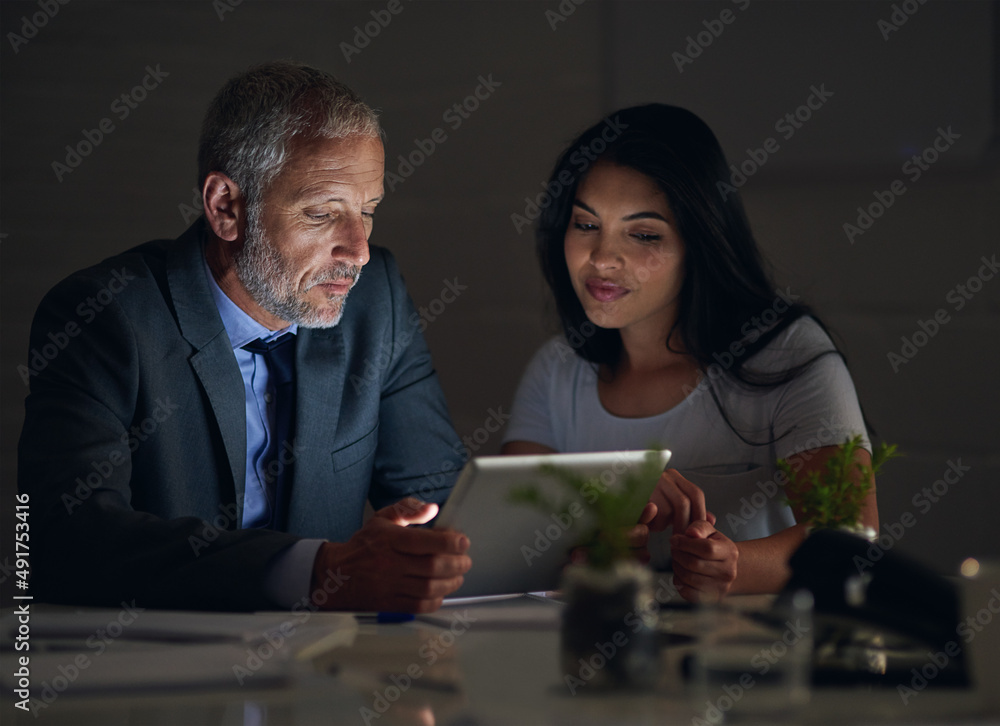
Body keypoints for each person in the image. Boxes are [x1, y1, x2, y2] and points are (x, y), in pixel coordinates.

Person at [18, 61, 471, 613]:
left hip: (320, 682)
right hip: (156, 684)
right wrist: (315, 572)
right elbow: (68, 544)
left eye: (367, 212)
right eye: (323, 214)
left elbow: (448, 508)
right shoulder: (103, 316)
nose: (358, 251)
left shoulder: (376, 301)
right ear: (225, 207)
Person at [502, 104, 877, 603]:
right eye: (586, 224)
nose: (602, 258)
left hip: (756, 661)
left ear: (698, 243)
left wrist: (734, 566)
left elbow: (852, 537)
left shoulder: (788, 353)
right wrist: (598, 535)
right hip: (601, 658)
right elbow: (509, 539)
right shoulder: (555, 369)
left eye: (643, 234)